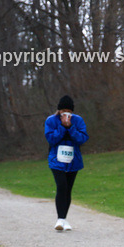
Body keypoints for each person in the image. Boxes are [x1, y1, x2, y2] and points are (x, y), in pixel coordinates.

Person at [44, 95, 89, 231]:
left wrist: (70, 128)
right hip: (56, 160)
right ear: (59, 110)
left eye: (69, 111)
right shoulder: (51, 121)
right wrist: (62, 127)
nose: (66, 114)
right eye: (63, 110)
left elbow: (82, 139)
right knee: (61, 186)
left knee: (68, 189)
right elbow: (51, 139)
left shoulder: (78, 120)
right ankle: (60, 218)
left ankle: (63, 219)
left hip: (73, 160)